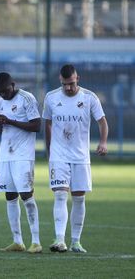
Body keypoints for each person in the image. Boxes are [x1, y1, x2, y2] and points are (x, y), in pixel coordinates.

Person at [43, 64, 108, 253]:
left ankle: (76, 242)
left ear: (77, 78)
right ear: (60, 81)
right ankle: (60, 239)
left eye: (71, 84)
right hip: (59, 155)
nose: (68, 88)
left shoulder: (89, 97)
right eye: (64, 84)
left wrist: (103, 142)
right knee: (60, 194)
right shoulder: (51, 97)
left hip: (80, 156)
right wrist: (49, 151)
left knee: (79, 198)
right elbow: (47, 124)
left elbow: (102, 122)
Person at [0, 72, 42, 254]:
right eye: (0, 93)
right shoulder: (0, 101)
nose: (3, 95)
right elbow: (5, 126)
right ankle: (17, 241)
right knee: (10, 197)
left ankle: (36, 242)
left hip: (23, 155)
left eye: (6, 91)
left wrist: (10, 121)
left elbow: (36, 125)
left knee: (26, 195)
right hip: (6, 154)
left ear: (12, 84)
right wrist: (0, 125)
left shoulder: (26, 98)